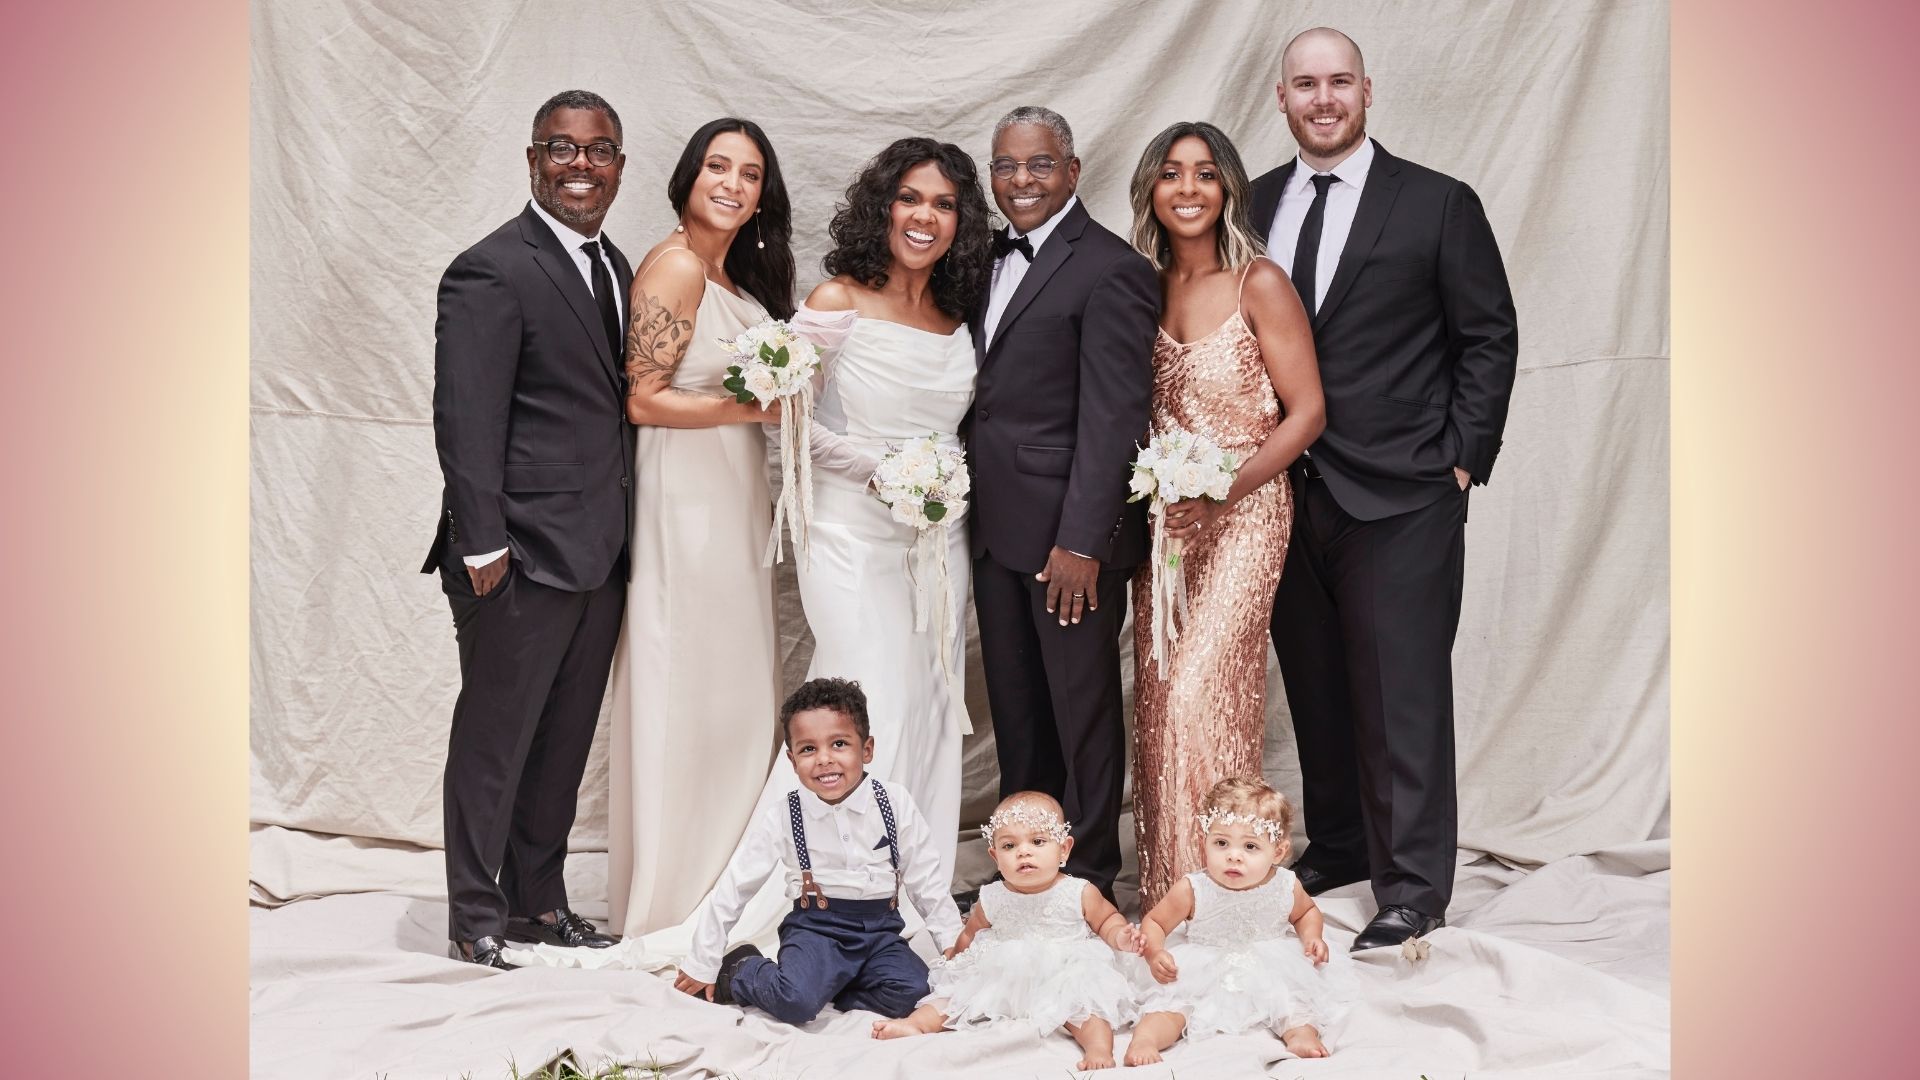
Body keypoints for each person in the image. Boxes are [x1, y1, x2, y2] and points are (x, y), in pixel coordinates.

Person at [1249, 28, 1519, 950]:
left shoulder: (1438, 203)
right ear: (1280, 98)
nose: (1322, 100)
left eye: (1338, 83)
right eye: (1304, 85)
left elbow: (1488, 336)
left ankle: (1410, 888)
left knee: (1399, 690)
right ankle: (1340, 844)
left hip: (1405, 491)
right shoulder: (1252, 205)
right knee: (1318, 684)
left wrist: (1461, 456)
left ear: (1367, 91)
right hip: (1289, 493)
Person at [421, 89, 632, 966]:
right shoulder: (491, 268)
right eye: (562, 148)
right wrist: (483, 549)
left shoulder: (617, 266)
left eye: (598, 150)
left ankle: (536, 905)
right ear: (533, 159)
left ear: (620, 164)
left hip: (601, 551)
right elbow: (464, 419)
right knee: (495, 741)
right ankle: (475, 912)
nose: (580, 164)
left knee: (563, 745)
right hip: (512, 555)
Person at [777, 136, 995, 897]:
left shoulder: (959, 311)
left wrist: (929, 486)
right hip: (848, 531)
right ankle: (824, 884)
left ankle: (908, 891)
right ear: (883, 205)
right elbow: (787, 418)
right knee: (862, 693)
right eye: (910, 197)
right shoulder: (837, 299)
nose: (925, 216)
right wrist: (883, 473)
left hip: (937, 538)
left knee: (930, 698)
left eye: (943, 203)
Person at [1123, 122, 1325, 913]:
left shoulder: (1259, 282)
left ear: (1228, 188)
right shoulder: (1140, 287)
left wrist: (1225, 495)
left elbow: (1307, 412)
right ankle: (1167, 894)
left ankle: (1229, 893)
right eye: (1171, 173)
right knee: (1159, 698)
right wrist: (1173, 501)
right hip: (1167, 525)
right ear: (1150, 189)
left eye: (1205, 174)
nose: (1188, 188)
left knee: (1204, 694)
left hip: (1245, 514)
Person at [607, 118, 797, 938]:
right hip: (683, 499)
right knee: (688, 677)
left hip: (732, 491)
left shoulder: (737, 280)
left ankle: (721, 886)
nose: (732, 183)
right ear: (688, 176)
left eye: (750, 174)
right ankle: (672, 896)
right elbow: (642, 397)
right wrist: (750, 406)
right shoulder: (678, 265)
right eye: (717, 166)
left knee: (733, 690)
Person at [967, 106, 1159, 900]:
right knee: (1017, 705)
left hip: (1067, 540)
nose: (1021, 181)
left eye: (1039, 165)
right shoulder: (978, 259)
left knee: (1080, 710)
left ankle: (1089, 873)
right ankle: (1030, 864)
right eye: (1006, 167)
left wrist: (1082, 540)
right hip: (993, 529)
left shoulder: (1111, 268)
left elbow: (1114, 416)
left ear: (1073, 173)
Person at [675, 678, 966, 1024]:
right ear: (792, 759)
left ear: (867, 749)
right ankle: (742, 969)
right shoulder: (786, 815)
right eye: (808, 749)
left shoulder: (894, 803)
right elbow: (734, 887)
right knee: (795, 1002)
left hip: (880, 932)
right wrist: (703, 960)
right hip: (816, 930)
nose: (824, 760)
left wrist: (951, 942)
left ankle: (830, 985)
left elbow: (926, 880)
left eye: (839, 744)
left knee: (914, 993)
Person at [871, 791, 1140, 1071]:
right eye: (1009, 846)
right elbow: (970, 933)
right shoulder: (992, 896)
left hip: (1064, 967)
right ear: (995, 857)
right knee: (953, 997)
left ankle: (1098, 1048)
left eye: (1037, 842)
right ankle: (916, 1024)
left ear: (1064, 849)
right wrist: (956, 955)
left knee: (1084, 1005)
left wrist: (1120, 935)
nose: (1023, 851)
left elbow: (1107, 919)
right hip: (1003, 969)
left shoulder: (1078, 891)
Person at [1125, 777, 1356, 1066]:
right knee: (1170, 1007)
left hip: (1270, 961)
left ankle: (1300, 1036)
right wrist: (1156, 951)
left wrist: (1312, 937)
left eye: (1250, 846)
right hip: (1203, 965)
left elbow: (1306, 913)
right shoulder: (1193, 888)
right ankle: (1145, 1040)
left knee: (1291, 1002)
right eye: (1221, 843)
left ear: (1279, 852)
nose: (1234, 856)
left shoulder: (1285, 884)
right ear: (1203, 843)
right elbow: (1156, 922)